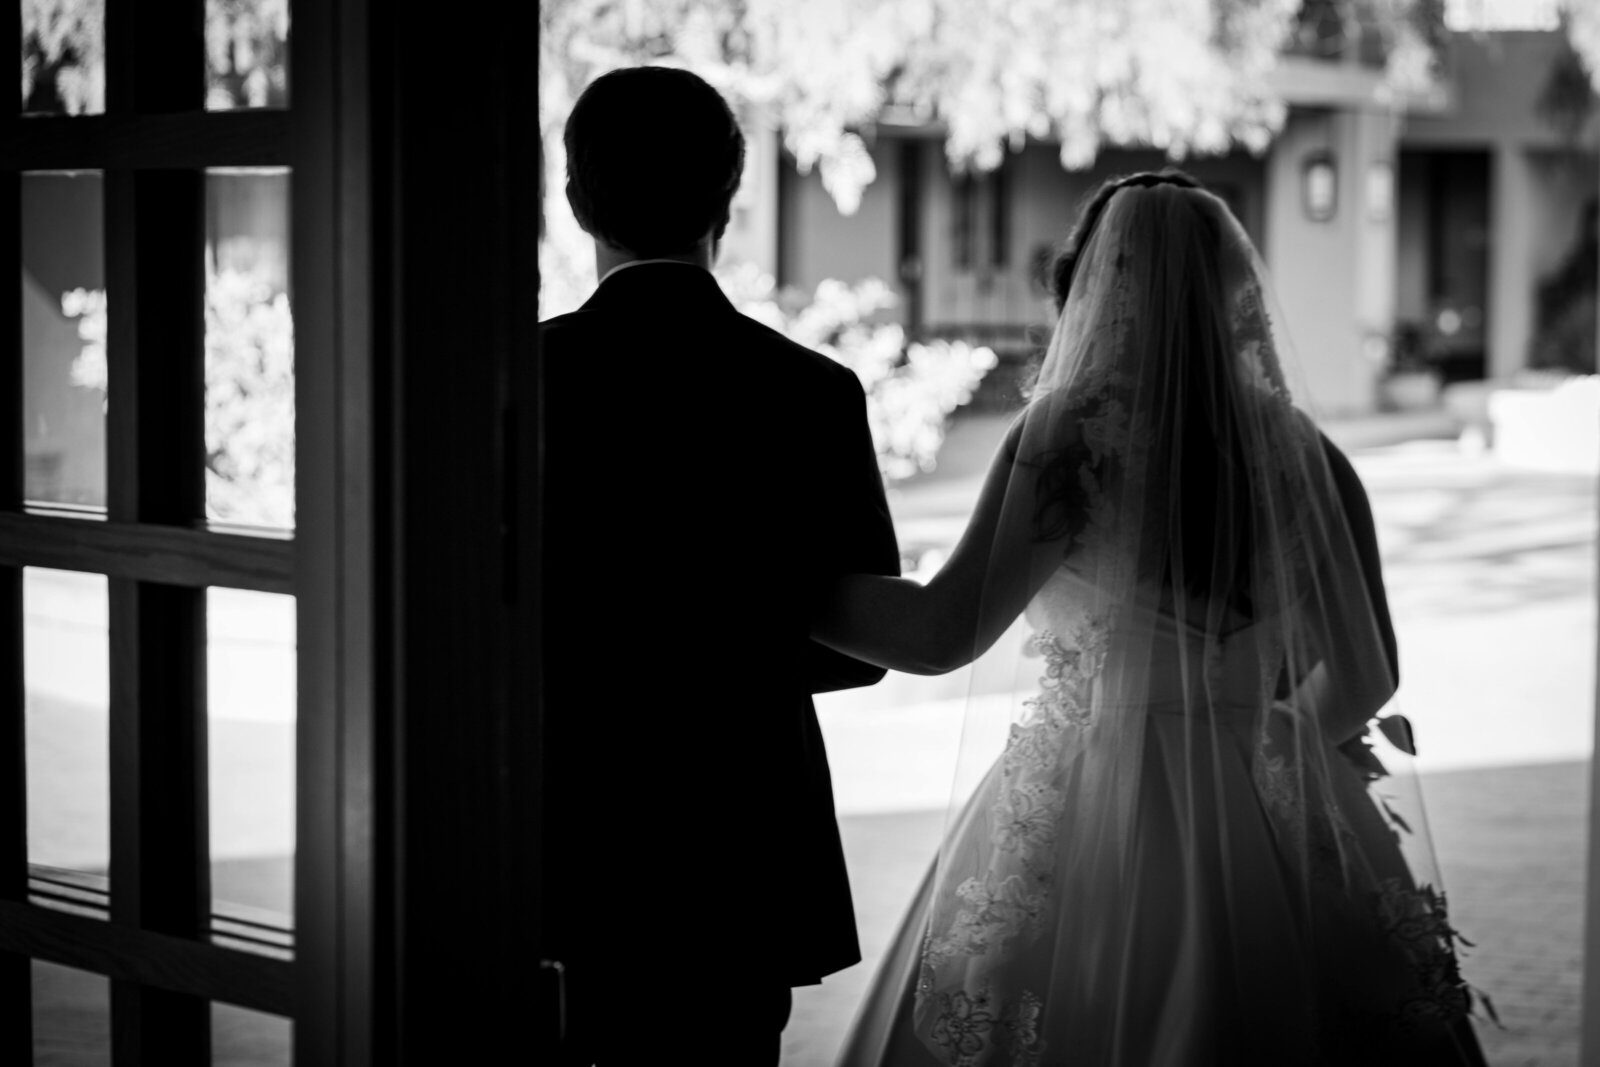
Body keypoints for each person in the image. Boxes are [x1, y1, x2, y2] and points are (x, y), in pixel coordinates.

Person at [815, 172, 1492, 1066]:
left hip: (1095, 804)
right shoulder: (1307, 455)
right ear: (1231, 298)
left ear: (1093, 291)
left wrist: (776, 583)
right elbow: (1368, 674)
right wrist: (1270, 743)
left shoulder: (1068, 437)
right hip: (1269, 792)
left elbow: (941, 634)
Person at [538, 66, 900, 1065]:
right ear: (727, 204)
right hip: (743, 832)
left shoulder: (519, 380)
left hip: (564, 824)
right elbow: (864, 647)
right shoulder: (811, 393)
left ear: (576, 204)